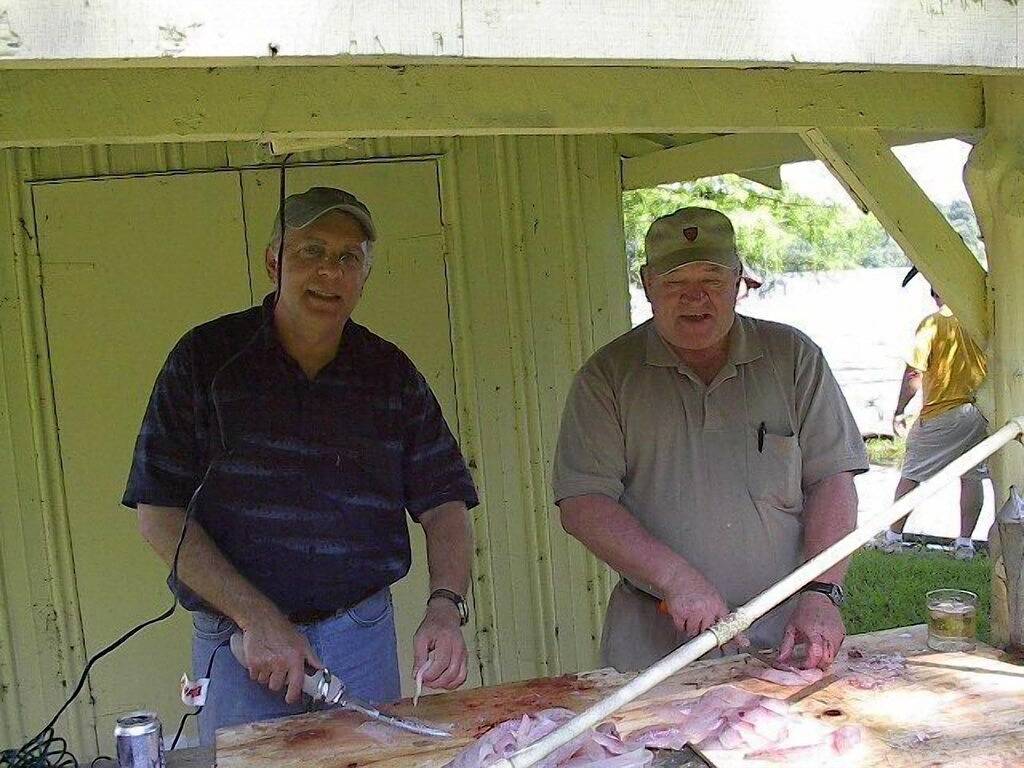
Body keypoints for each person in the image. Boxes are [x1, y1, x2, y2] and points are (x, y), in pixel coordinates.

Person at [123, 187, 478, 744]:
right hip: (238, 641)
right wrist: (256, 617)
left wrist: (444, 607)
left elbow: (444, 503)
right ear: (273, 262)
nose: (329, 272)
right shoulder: (205, 360)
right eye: (311, 251)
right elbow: (158, 515)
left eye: (348, 257)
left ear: (363, 275)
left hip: (358, 635)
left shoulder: (389, 374)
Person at [552, 207, 868, 673]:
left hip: (788, 634)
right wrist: (675, 577)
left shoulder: (794, 358)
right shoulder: (607, 377)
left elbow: (833, 480)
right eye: (675, 282)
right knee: (645, 748)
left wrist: (822, 591)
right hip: (655, 642)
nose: (695, 297)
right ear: (646, 283)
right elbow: (583, 504)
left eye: (713, 279)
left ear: (739, 280)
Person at [878, 283, 989, 559]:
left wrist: (900, 410)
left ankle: (892, 538)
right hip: (979, 411)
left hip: (942, 411)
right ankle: (965, 545)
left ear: (935, 294)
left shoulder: (932, 324)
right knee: (972, 475)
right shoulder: (980, 322)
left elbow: (914, 374)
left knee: (912, 474)